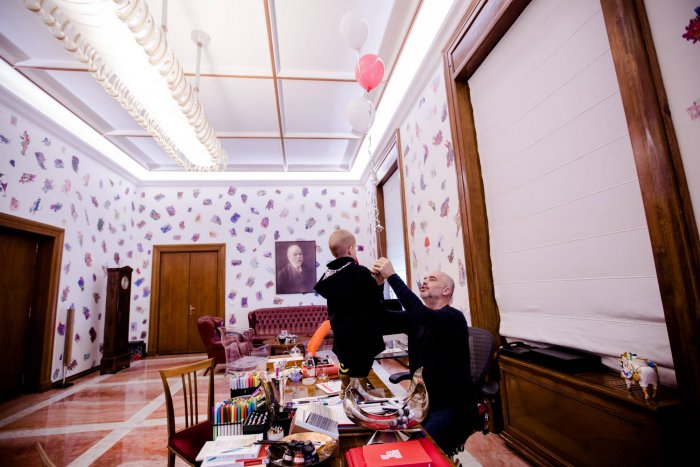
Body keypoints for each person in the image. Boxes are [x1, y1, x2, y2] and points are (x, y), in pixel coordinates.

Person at [371, 257, 477, 455]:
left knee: (417, 452)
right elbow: (380, 318)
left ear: (446, 291)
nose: (425, 281)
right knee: (383, 437)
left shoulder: (454, 317)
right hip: (422, 402)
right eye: (425, 278)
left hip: (451, 407)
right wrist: (378, 286)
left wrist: (392, 276)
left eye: (432, 279)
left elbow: (422, 314)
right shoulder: (417, 318)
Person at [314, 229, 386, 397]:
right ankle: (360, 392)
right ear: (350, 249)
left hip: (341, 334)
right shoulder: (360, 272)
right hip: (362, 333)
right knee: (361, 367)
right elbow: (375, 303)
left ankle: (345, 389)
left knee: (345, 363)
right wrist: (379, 284)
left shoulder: (328, 275)